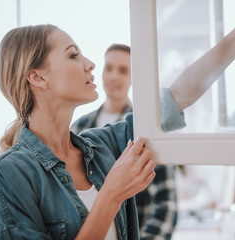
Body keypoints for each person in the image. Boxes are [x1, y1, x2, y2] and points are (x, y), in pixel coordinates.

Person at [0, 5, 235, 240]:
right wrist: (111, 194)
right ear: (38, 77)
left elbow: (177, 97)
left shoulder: (102, 147)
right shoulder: (9, 174)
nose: (90, 64)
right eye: (73, 55)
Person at [70, 44, 178, 240]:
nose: (113, 76)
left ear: (133, 78)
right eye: (108, 68)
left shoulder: (146, 128)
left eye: (123, 70)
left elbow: (165, 208)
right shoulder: (77, 128)